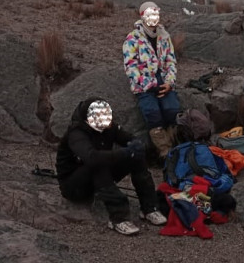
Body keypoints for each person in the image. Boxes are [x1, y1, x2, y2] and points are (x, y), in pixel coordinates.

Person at [56, 97, 167, 235]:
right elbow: (92, 158)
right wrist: (125, 152)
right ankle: (118, 218)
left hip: (99, 179)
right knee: (98, 163)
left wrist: (137, 145)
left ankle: (149, 207)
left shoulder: (109, 127)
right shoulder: (77, 133)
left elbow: (129, 138)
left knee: (135, 157)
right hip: (74, 186)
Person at [123, 1, 180, 160]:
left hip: (162, 78)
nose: (153, 18)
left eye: (156, 14)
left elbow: (170, 61)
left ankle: (175, 145)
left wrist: (169, 82)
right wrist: (149, 85)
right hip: (144, 82)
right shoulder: (132, 38)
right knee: (152, 112)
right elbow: (130, 66)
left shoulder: (164, 36)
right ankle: (165, 152)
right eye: (149, 14)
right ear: (142, 16)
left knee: (172, 109)